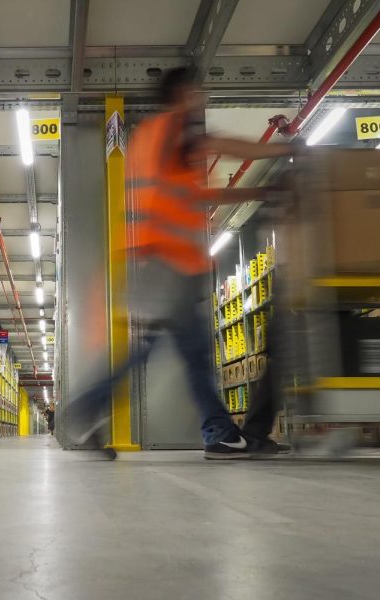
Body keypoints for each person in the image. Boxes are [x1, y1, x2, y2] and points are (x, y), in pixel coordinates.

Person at [67, 67, 297, 460]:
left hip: (160, 262)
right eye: (197, 89)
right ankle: (216, 432)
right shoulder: (175, 128)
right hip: (166, 263)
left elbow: (194, 196)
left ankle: (93, 409)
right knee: (188, 354)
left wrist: (259, 189)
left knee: (173, 352)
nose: (201, 96)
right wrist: (284, 150)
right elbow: (227, 144)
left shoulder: (158, 138)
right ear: (182, 93)